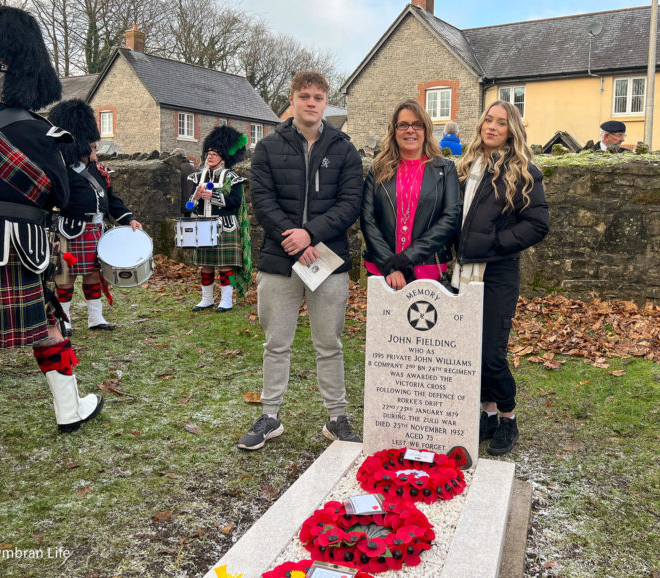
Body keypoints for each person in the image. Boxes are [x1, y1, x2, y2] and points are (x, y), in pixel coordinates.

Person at [0, 6, 103, 477]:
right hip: (20, 251)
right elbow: (78, 203)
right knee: (50, 330)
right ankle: (69, 410)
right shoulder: (44, 133)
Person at [239, 70, 363, 450]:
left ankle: (336, 418)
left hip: (329, 260)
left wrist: (311, 234)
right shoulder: (268, 148)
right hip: (279, 259)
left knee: (329, 343)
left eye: (319, 97)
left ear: (326, 102)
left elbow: (350, 204)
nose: (312, 103)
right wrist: (293, 237)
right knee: (277, 343)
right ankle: (270, 415)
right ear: (291, 98)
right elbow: (262, 201)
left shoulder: (344, 148)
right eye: (305, 96)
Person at [453, 100, 549, 456]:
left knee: (491, 352)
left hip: (497, 271)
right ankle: (487, 414)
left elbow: (538, 224)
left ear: (512, 131)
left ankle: (508, 417)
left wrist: (495, 243)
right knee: (469, 349)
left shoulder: (524, 170)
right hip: (462, 270)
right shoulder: (465, 167)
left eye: (501, 123)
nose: (492, 127)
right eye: (488, 120)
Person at [47, 99, 143, 334]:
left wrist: (128, 218)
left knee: (93, 274)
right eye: (92, 146)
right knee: (65, 278)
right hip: (70, 230)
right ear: (80, 146)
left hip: (96, 231)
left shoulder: (99, 172)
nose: (96, 149)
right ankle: (65, 319)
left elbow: (112, 200)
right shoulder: (62, 172)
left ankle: (95, 318)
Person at [361, 99, 461, 291]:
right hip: (383, 271)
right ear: (394, 130)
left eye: (417, 125)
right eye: (403, 125)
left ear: (426, 130)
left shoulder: (445, 169)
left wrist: (407, 257)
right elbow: (367, 219)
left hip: (427, 268)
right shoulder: (379, 168)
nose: (410, 130)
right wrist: (390, 265)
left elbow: (450, 218)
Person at [186, 126, 253, 312]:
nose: (210, 157)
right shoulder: (198, 177)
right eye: (209, 153)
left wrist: (212, 196)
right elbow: (188, 207)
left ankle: (227, 300)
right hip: (204, 226)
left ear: (223, 157)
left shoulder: (232, 178)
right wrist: (196, 198)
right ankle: (206, 299)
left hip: (225, 226)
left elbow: (235, 202)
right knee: (205, 266)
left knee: (225, 267)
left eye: (215, 154)